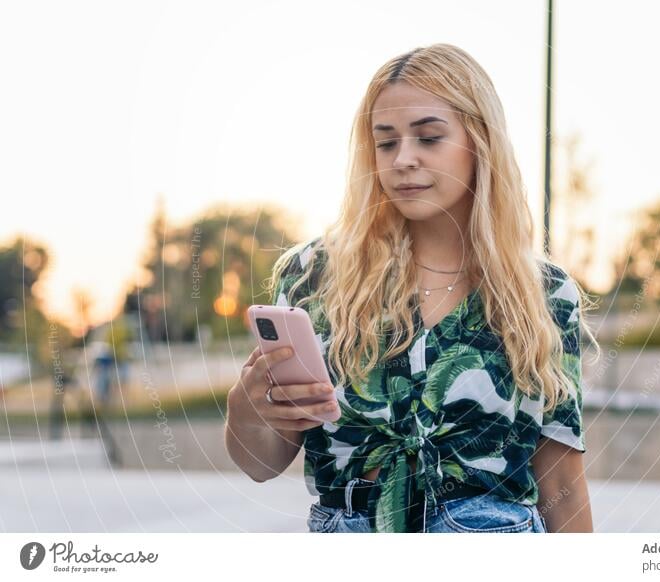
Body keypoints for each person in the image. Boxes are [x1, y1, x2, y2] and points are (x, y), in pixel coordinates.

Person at [225, 43, 600, 533]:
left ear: (480, 143)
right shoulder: (312, 277)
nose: (403, 159)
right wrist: (246, 408)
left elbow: (562, 485)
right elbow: (261, 464)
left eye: (428, 137)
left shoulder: (545, 293)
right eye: (386, 142)